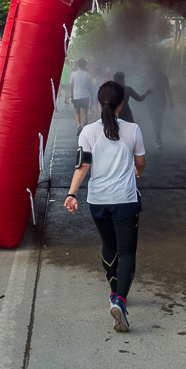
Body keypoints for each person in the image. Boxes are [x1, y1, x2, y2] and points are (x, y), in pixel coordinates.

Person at [64, 81, 146, 333]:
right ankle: (120, 299)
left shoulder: (88, 131)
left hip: (98, 201)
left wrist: (71, 193)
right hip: (125, 201)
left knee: (109, 246)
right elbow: (140, 163)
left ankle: (114, 293)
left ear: (98, 103)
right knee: (127, 251)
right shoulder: (133, 130)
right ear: (122, 104)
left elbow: (83, 166)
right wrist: (136, 171)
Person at [145, 60, 174, 148]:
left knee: (157, 119)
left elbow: (167, 88)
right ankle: (158, 137)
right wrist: (171, 101)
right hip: (154, 101)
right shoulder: (151, 76)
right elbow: (168, 89)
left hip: (158, 101)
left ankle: (158, 137)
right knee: (156, 119)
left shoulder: (159, 76)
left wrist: (171, 100)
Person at [69, 58, 97, 137]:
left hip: (76, 96)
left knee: (77, 113)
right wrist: (91, 96)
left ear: (78, 64)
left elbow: (72, 86)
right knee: (84, 113)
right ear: (85, 65)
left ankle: (79, 126)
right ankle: (85, 129)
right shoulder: (88, 75)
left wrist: (71, 96)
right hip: (85, 95)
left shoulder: (73, 74)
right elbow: (90, 87)